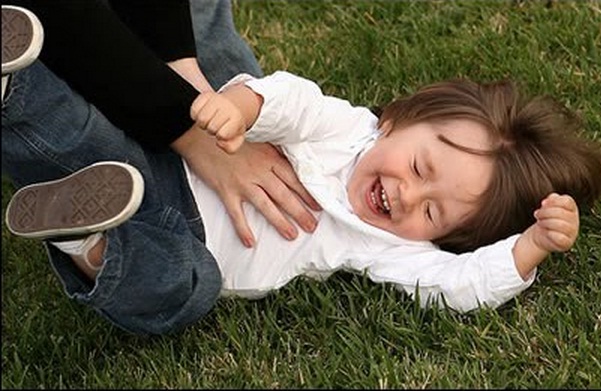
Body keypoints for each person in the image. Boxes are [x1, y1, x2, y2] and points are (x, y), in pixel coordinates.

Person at [5, 8, 601, 336]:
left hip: (173, 227)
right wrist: (242, 108)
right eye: (420, 167)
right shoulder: (348, 131)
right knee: (209, 53)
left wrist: (528, 248)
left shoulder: (387, 248)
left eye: (432, 213)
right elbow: (293, 101)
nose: (406, 193)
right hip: (201, 146)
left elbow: (462, 285)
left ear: (440, 239)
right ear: (395, 120)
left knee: (184, 282)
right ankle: (24, 73)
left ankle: (87, 234)